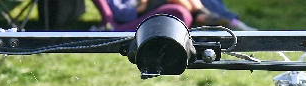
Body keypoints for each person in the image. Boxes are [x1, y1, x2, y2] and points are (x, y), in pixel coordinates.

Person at [108, 0, 255, 30]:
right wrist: (142, 4)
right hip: (136, 11)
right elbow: (123, 13)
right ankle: (203, 15)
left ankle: (202, 14)